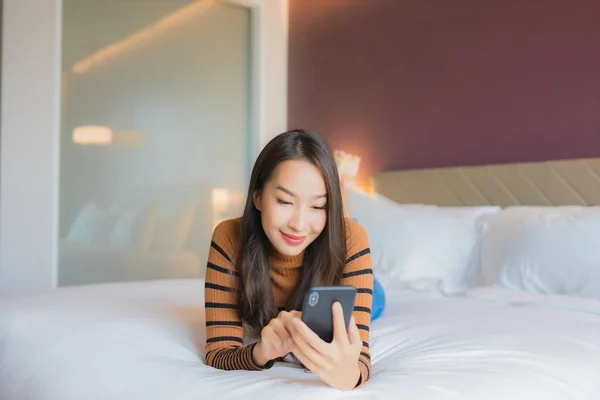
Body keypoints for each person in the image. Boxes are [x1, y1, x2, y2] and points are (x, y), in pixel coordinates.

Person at [204, 129, 373, 390]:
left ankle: (345, 201)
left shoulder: (352, 239)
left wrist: (348, 377)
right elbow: (219, 352)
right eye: (284, 201)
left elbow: (359, 362)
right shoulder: (229, 237)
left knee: (379, 300)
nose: (299, 224)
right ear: (257, 196)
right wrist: (262, 351)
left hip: (344, 262)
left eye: (318, 206)